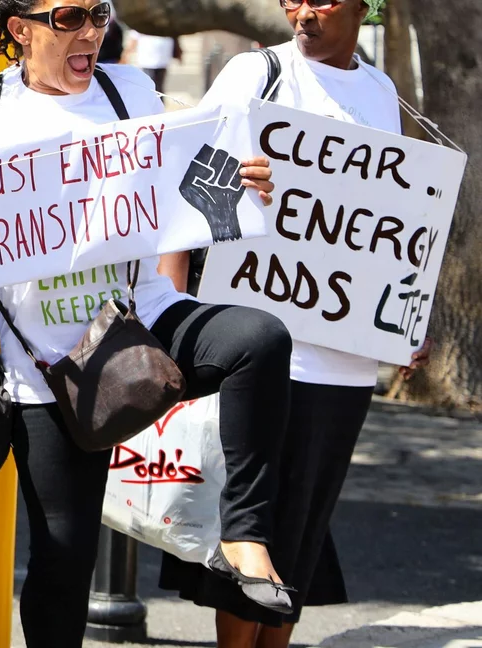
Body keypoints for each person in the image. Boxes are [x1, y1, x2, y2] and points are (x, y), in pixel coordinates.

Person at [0, 1, 294, 645]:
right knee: (65, 558)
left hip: (140, 315)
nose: (90, 30)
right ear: (21, 29)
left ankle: (244, 537)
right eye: (69, 16)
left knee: (260, 340)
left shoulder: (132, 90)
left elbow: (189, 177)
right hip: (43, 360)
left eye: (99, 12)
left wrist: (246, 180)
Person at [157, 2, 427, 647]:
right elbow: (189, 189)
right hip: (260, 346)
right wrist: (170, 305)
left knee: (303, 527)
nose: (303, 11)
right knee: (253, 526)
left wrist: (406, 317)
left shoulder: (381, 92)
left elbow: (389, 223)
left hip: (346, 355)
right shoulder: (258, 74)